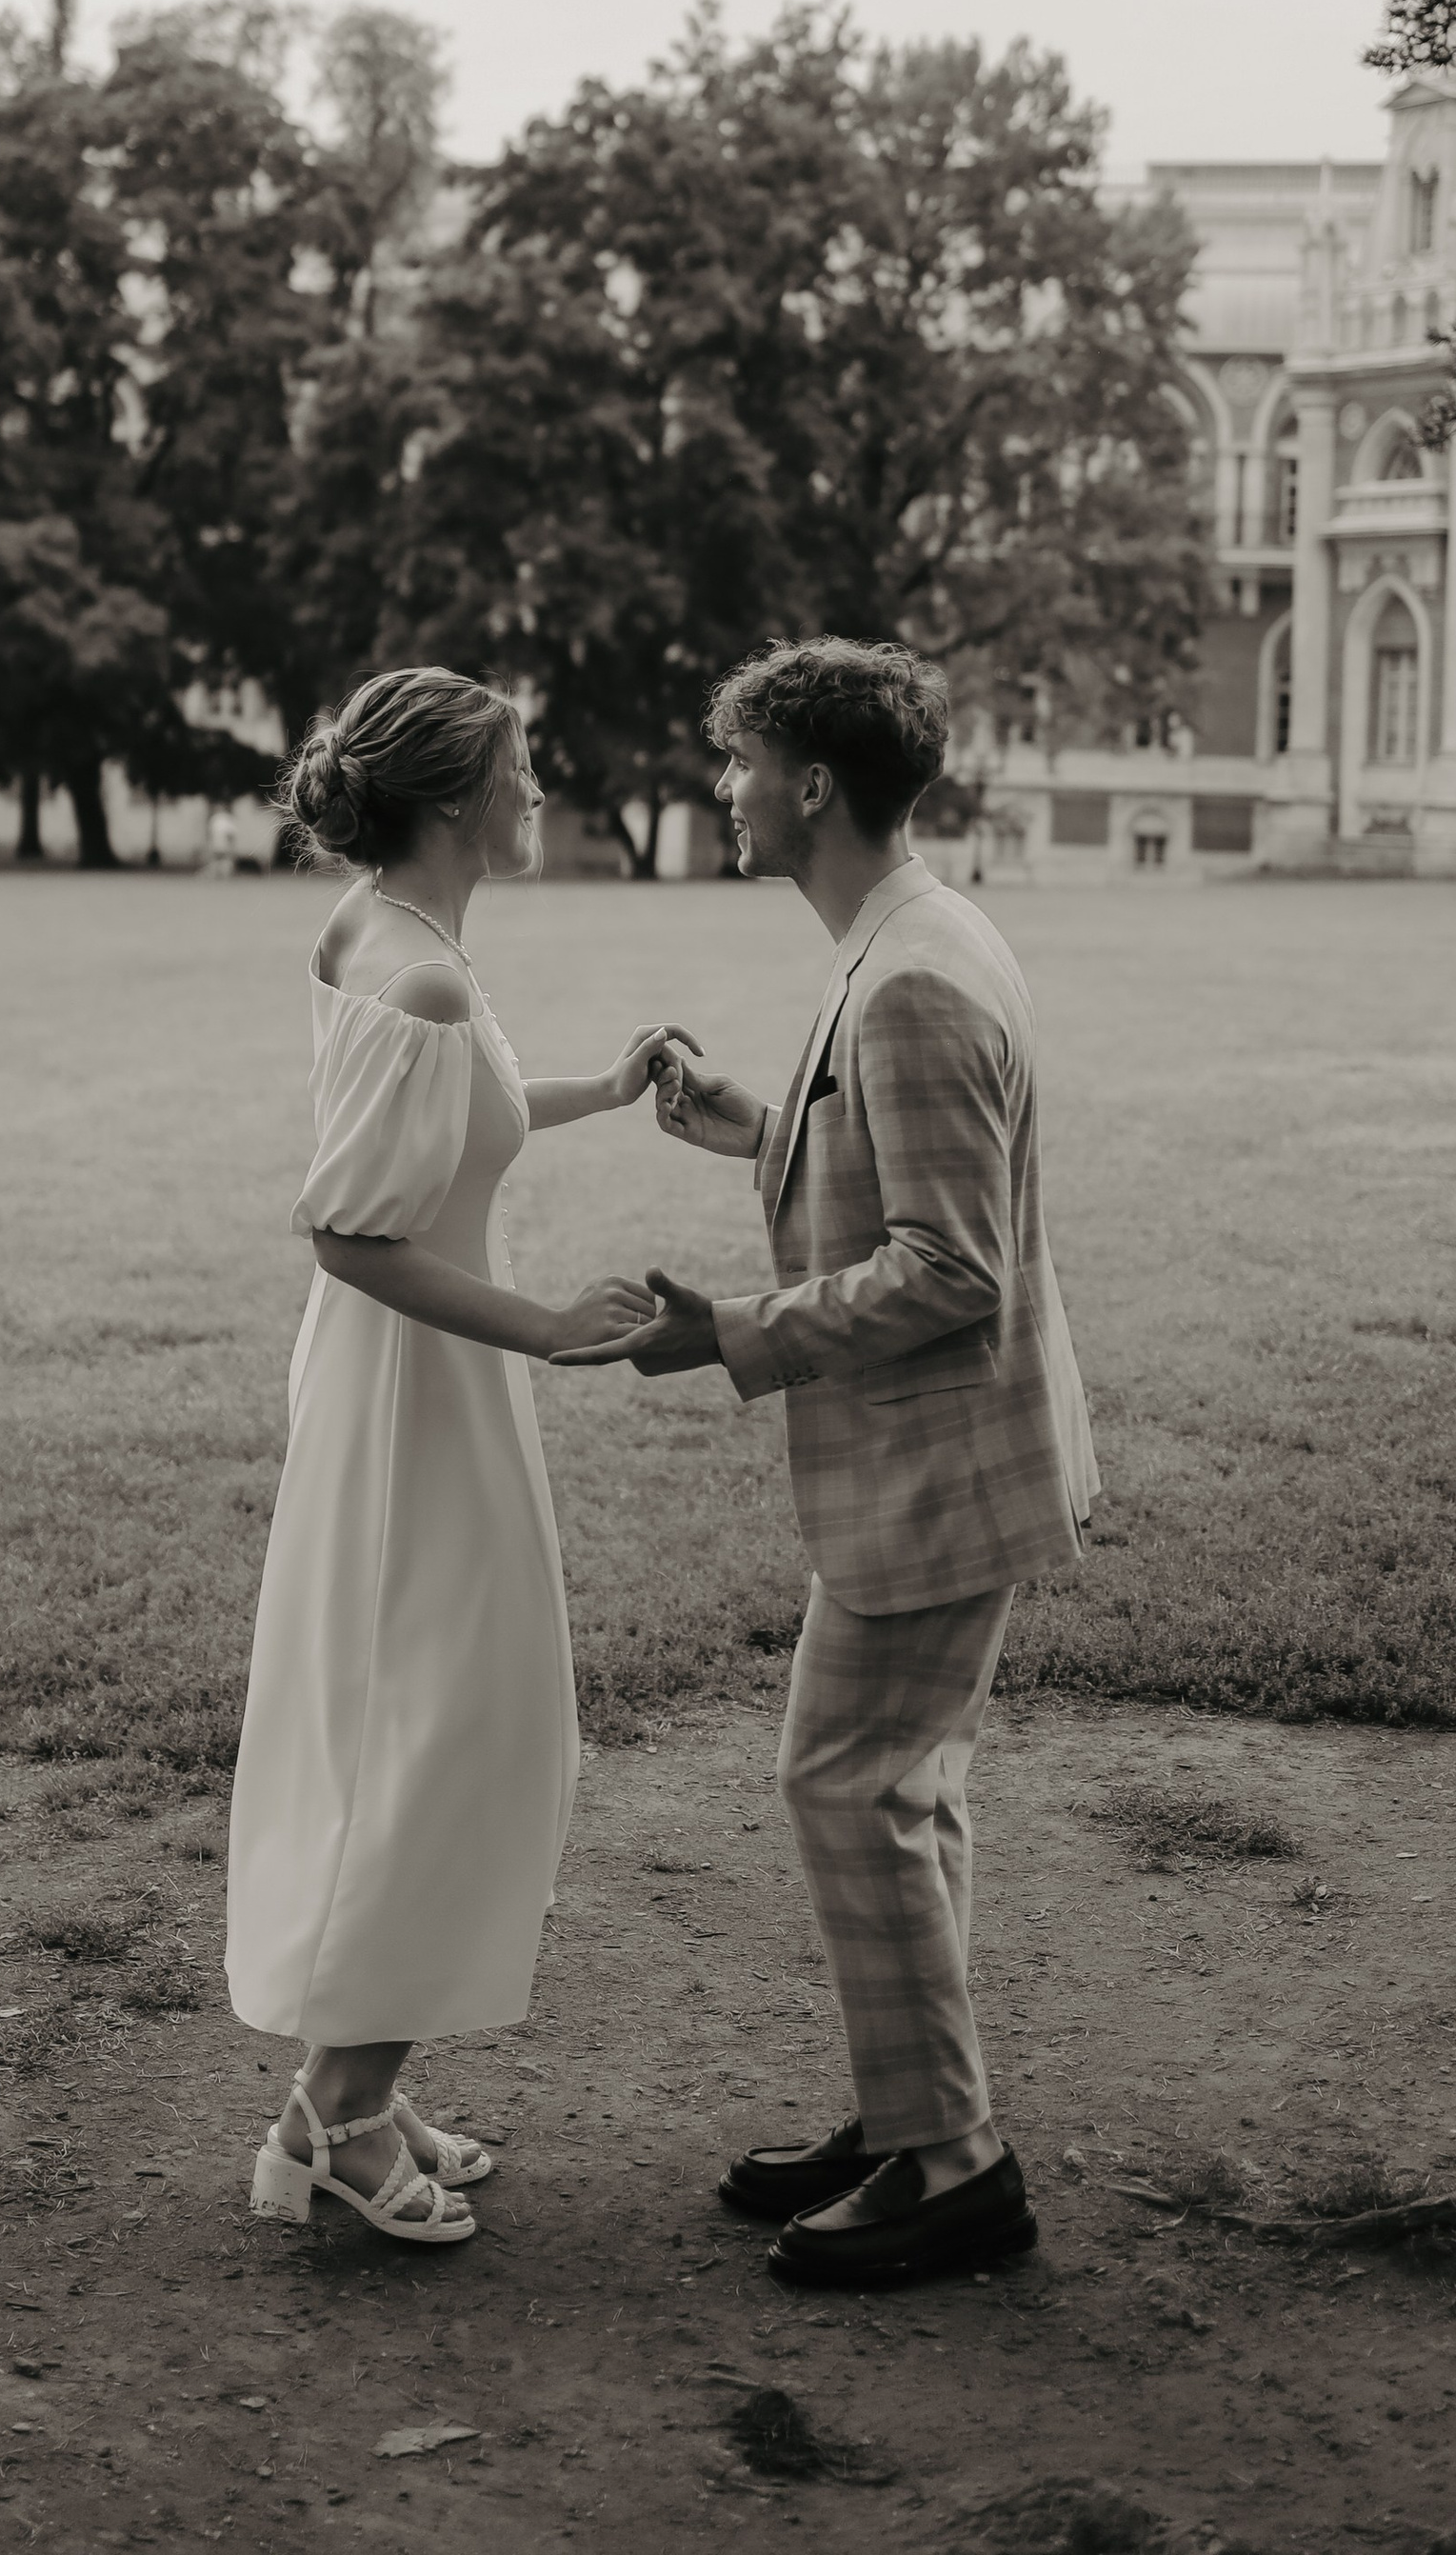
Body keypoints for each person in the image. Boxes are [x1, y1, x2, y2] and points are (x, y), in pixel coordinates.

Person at [557, 636, 1099, 2291]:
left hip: (939, 1471)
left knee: (847, 1782)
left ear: (809, 784)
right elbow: (891, 1156)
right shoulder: (911, 934)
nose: (723, 790)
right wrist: (754, 1121)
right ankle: (912, 2115)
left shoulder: (913, 974)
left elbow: (950, 1266)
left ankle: (955, 2170)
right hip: (942, 1464)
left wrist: (730, 1332)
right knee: (893, 1787)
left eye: (741, 765)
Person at [228, 665, 677, 2247]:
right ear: (453, 797)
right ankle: (338, 2121)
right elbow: (351, 1231)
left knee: (440, 1723)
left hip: (422, 1383)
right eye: (519, 769)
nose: (539, 791)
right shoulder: (413, 972)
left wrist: (603, 1089)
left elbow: (448, 1123)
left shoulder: (385, 930)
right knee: (453, 1735)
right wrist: (546, 1326)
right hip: (419, 1392)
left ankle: (350, 2090)